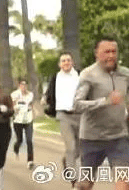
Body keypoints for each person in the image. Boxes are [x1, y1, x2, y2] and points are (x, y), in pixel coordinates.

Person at [73, 36, 129, 190]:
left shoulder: (125, 74)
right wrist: (105, 101)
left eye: (114, 51)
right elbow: (76, 105)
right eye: (106, 52)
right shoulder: (88, 75)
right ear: (97, 53)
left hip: (118, 137)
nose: (111, 56)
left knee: (125, 183)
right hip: (92, 139)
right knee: (85, 184)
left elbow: (127, 97)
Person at [44, 51, 81, 187]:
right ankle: (73, 179)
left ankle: (67, 161)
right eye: (63, 61)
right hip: (63, 115)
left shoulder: (79, 75)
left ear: (72, 62)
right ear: (60, 64)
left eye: (68, 60)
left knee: (81, 148)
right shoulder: (55, 78)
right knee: (70, 147)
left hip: (80, 114)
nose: (66, 63)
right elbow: (49, 94)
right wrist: (49, 106)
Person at [11, 78, 35, 169]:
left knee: (29, 140)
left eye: (25, 85)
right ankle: (16, 148)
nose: (23, 86)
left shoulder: (30, 95)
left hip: (28, 119)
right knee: (20, 140)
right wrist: (15, 108)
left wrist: (33, 112)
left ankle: (30, 160)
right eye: (22, 85)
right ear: (19, 85)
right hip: (18, 120)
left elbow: (31, 105)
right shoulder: (15, 94)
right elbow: (12, 105)